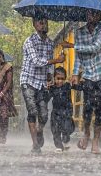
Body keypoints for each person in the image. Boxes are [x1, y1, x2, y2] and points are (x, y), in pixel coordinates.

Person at [20, 16, 66, 153]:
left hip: (41, 83)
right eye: (40, 22)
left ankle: (39, 131)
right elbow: (37, 61)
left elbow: (49, 67)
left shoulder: (50, 43)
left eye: (46, 22)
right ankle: (35, 144)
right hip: (28, 80)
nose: (43, 24)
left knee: (44, 114)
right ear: (34, 24)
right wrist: (56, 59)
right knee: (33, 111)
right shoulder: (29, 42)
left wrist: (51, 76)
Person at [68, 10, 101, 154]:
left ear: (100, 15)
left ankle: (95, 141)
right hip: (88, 75)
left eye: (96, 14)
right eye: (90, 14)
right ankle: (86, 133)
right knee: (88, 108)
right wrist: (75, 73)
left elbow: (96, 48)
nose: (93, 16)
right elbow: (79, 56)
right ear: (86, 15)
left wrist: (72, 46)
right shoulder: (79, 32)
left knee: (99, 109)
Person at [47, 67, 82, 153]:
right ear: (54, 79)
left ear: (65, 78)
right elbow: (46, 98)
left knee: (66, 129)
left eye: (62, 79)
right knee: (55, 130)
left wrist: (79, 78)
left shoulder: (67, 86)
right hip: (55, 113)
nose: (60, 81)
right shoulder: (52, 88)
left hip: (67, 112)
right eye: (58, 79)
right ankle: (59, 146)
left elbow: (79, 88)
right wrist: (46, 89)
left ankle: (66, 140)